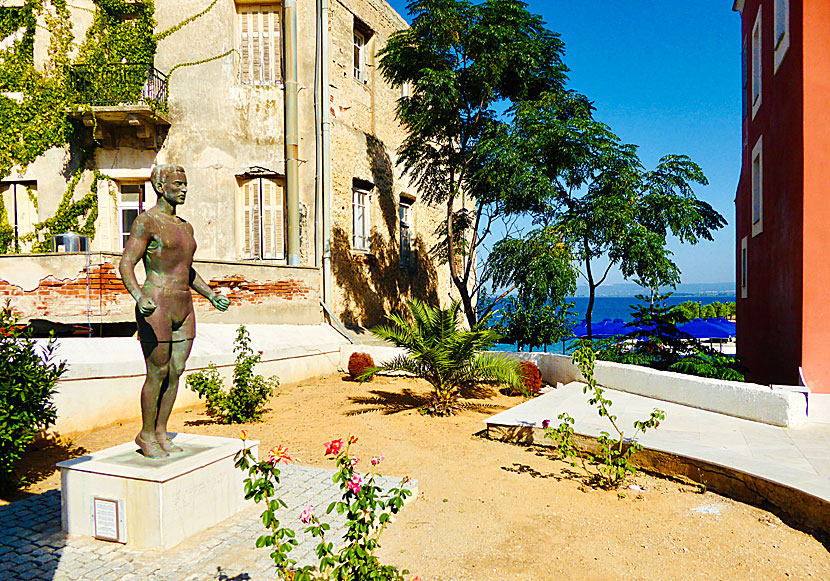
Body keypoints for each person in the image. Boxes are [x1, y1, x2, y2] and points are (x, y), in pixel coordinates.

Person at [119, 164, 230, 458]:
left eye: (185, 184)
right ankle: (145, 435)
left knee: (176, 370)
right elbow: (127, 263)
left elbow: (187, 270)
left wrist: (210, 294)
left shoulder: (186, 226)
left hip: (184, 303)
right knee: (158, 371)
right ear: (160, 187)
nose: (184, 189)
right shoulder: (147, 222)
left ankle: (160, 432)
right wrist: (138, 295)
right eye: (178, 184)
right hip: (157, 301)